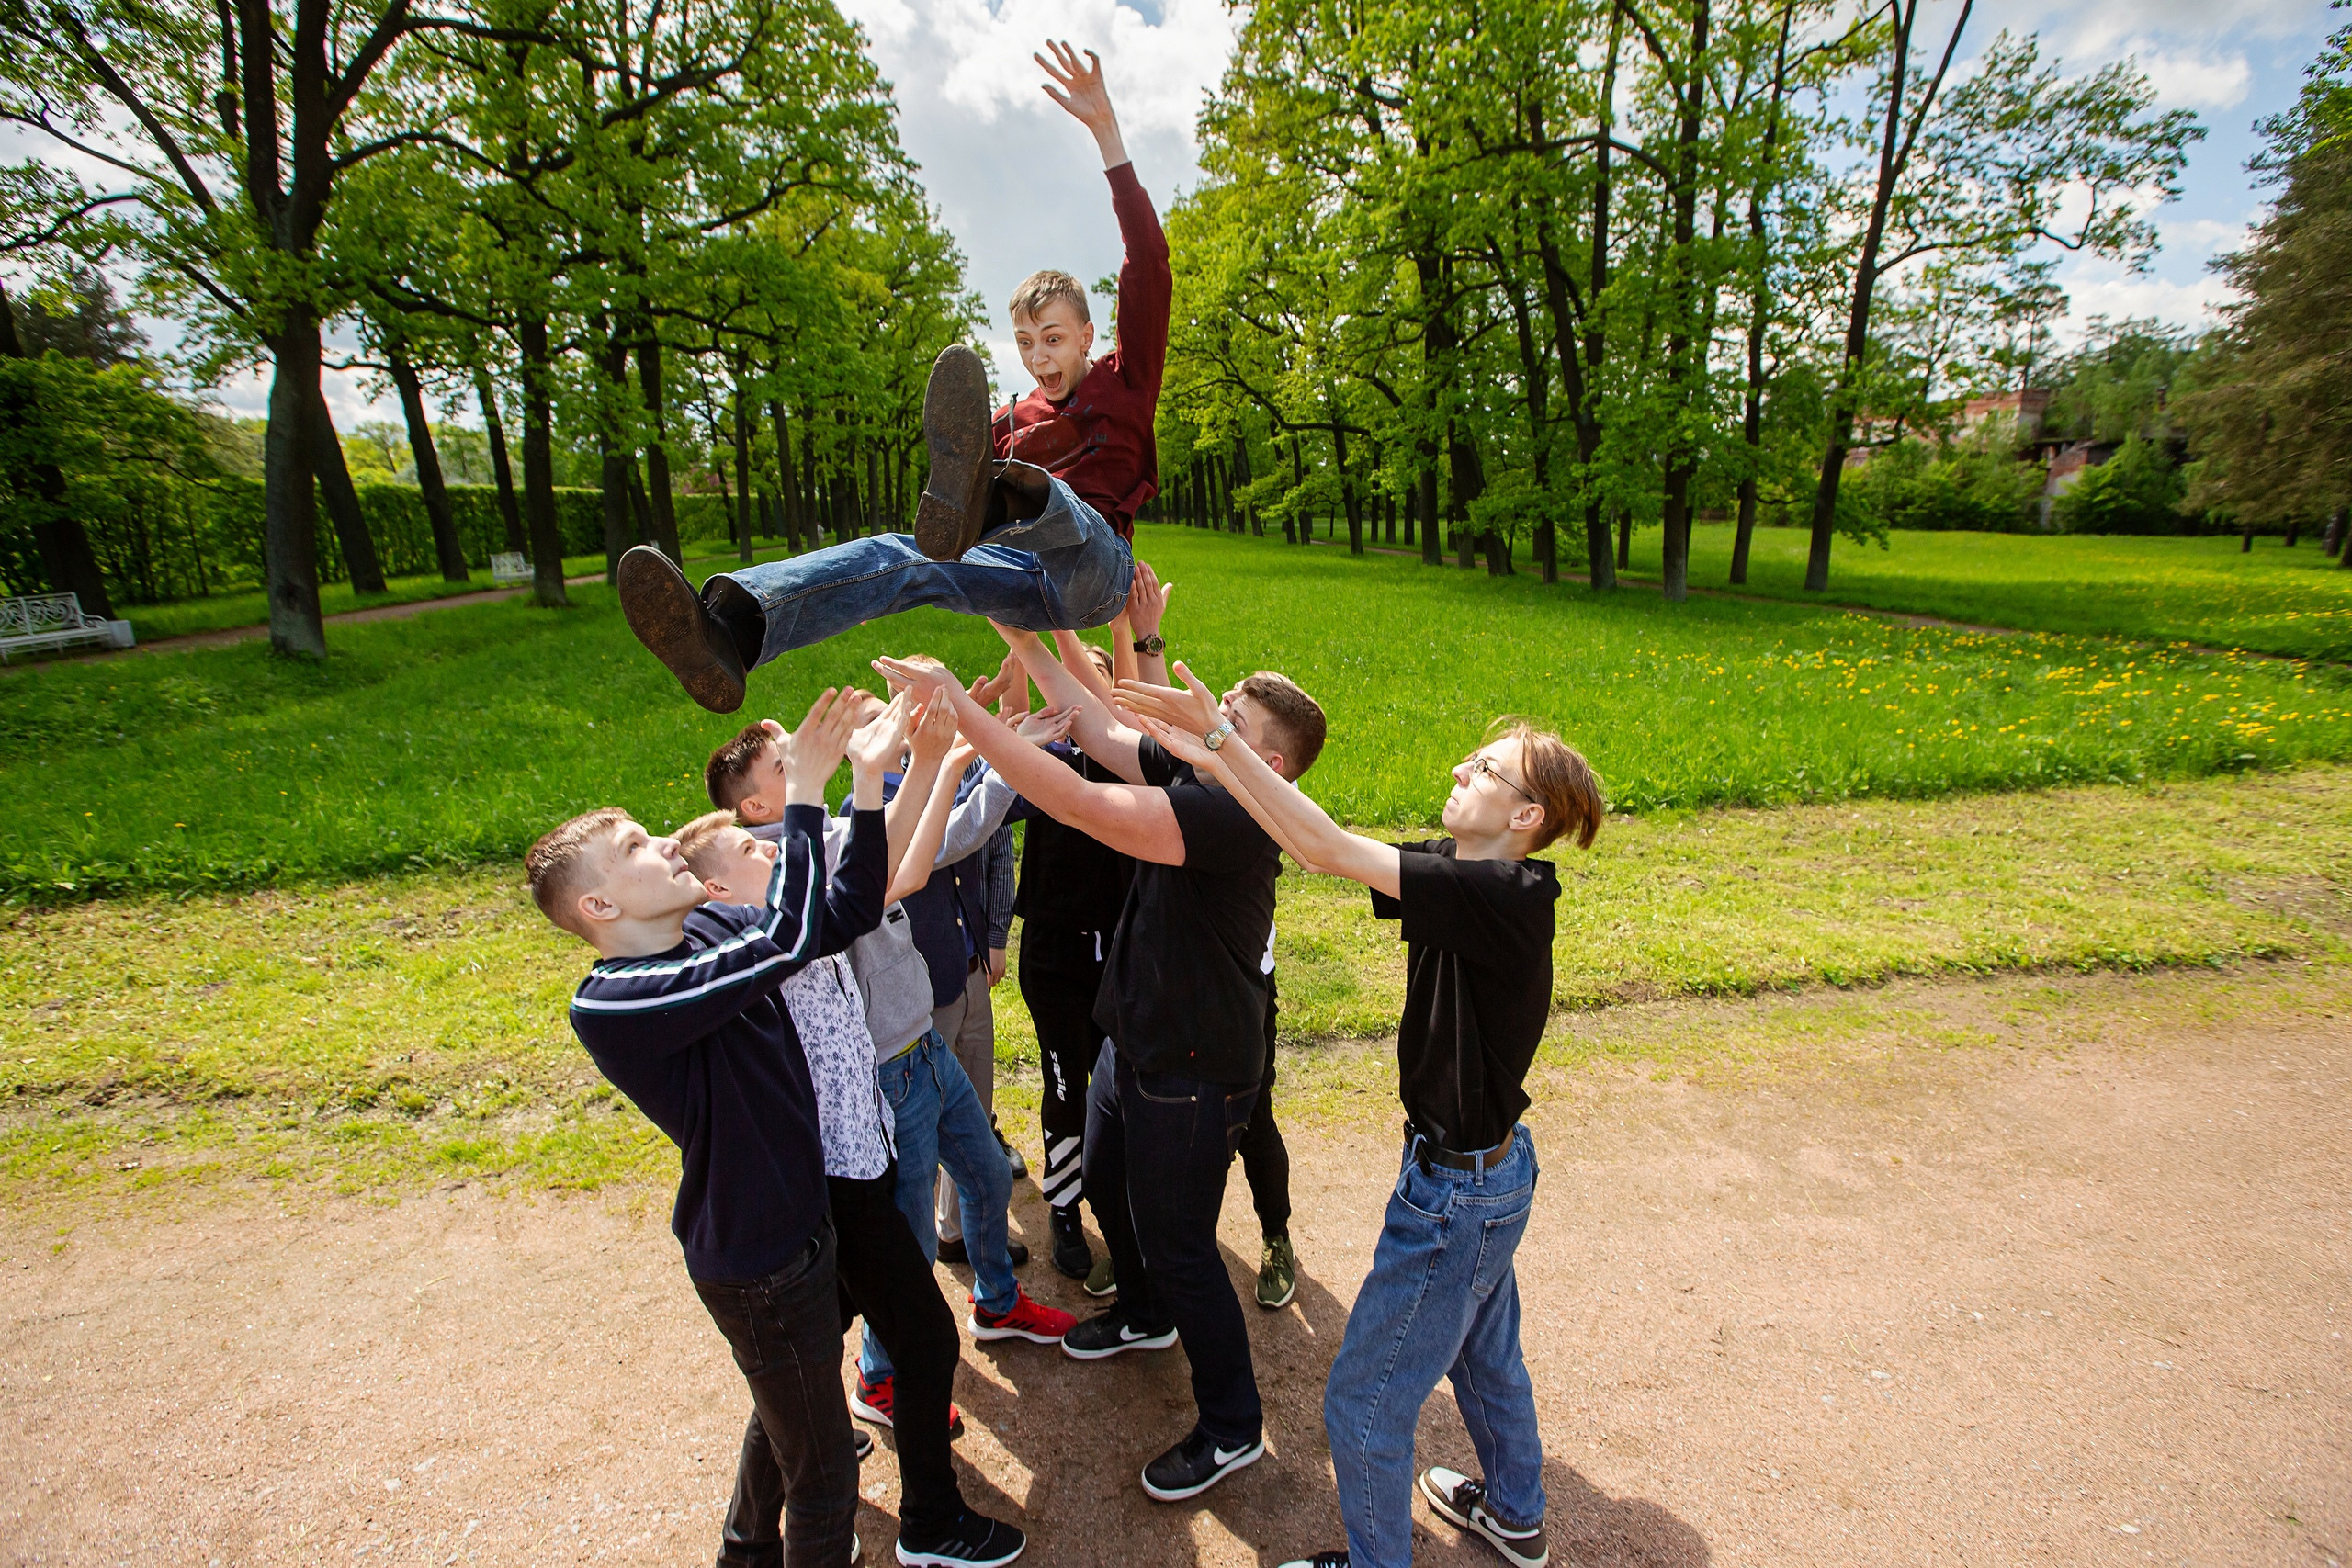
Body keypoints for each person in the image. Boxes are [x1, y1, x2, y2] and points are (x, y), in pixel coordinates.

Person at [1119, 672, 1604, 1568]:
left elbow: (1319, 847)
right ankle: (1516, 1513)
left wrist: (1220, 747)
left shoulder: (1502, 893)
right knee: (1482, 1358)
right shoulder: (1465, 872)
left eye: (1488, 767)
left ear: (1527, 815)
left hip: (1458, 1195)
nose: (1462, 764)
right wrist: (1215, 752)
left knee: (1363, 1407)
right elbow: (1317, 837)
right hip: (1480, 1177)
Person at [874, 637, 1326, 1506]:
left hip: (1193, 1070)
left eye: (1233, 713)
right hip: (1137, 1039)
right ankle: (1148, 1313)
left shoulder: (1234, 813)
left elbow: (1077, 797)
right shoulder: (1203, 769)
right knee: (1110, 1187)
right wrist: (1018, 627)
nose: (1211, 710)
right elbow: (1096, 724)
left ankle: (1232, 1425)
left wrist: (960, 711)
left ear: (1266, 761)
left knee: (1184, 1246)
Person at [615, 39, 1163, 716]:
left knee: (1045, 496)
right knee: (900, 557)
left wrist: (1107, 131)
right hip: (1024, 578)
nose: (1040, 359)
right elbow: (932, 530)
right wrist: (878, 573)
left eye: (1053, 340)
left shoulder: (1126, 378)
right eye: (1024, 343)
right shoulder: (1009, 424)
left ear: (1087, 336)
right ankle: (733, 628)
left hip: (1097, 574)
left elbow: (1149, 263)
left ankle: (994, 500)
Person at [526, 688, 876, 1568]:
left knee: (788, 1409)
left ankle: (745, 1552)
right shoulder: (617, 1001)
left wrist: (864, 788)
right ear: (599, 910)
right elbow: (789, 937)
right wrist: (804, 792)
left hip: (796, 1227)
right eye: (636, 848)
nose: (664, 842)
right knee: (827, 1471)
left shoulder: (706, 926)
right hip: (759, 1261)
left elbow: (842, 913)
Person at [673, 713, 1025, 1568]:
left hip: (848, 1165)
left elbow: (890, 872)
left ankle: (746, 1540)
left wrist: (929, 756)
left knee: (800, 1371)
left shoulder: (786, 905)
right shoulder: (762, 935)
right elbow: (874, 863)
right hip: (838, 1179)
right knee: (924, 1340)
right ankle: (932, 1524)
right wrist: (875, 772)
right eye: (758, 849)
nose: (773, 853)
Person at [703, 696, 1077, 1438]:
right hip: (885, 1074)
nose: (814, 751)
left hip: (922, 1046)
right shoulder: (775, 865)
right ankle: (880, 1378)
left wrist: (954, 755)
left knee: (988, 1174)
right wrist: (937, 761)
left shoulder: (824, 833)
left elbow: (916, 851)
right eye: (789, 759)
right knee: (900, 1244)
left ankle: (996, 1303)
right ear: (754, 805)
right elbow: (902, 873)